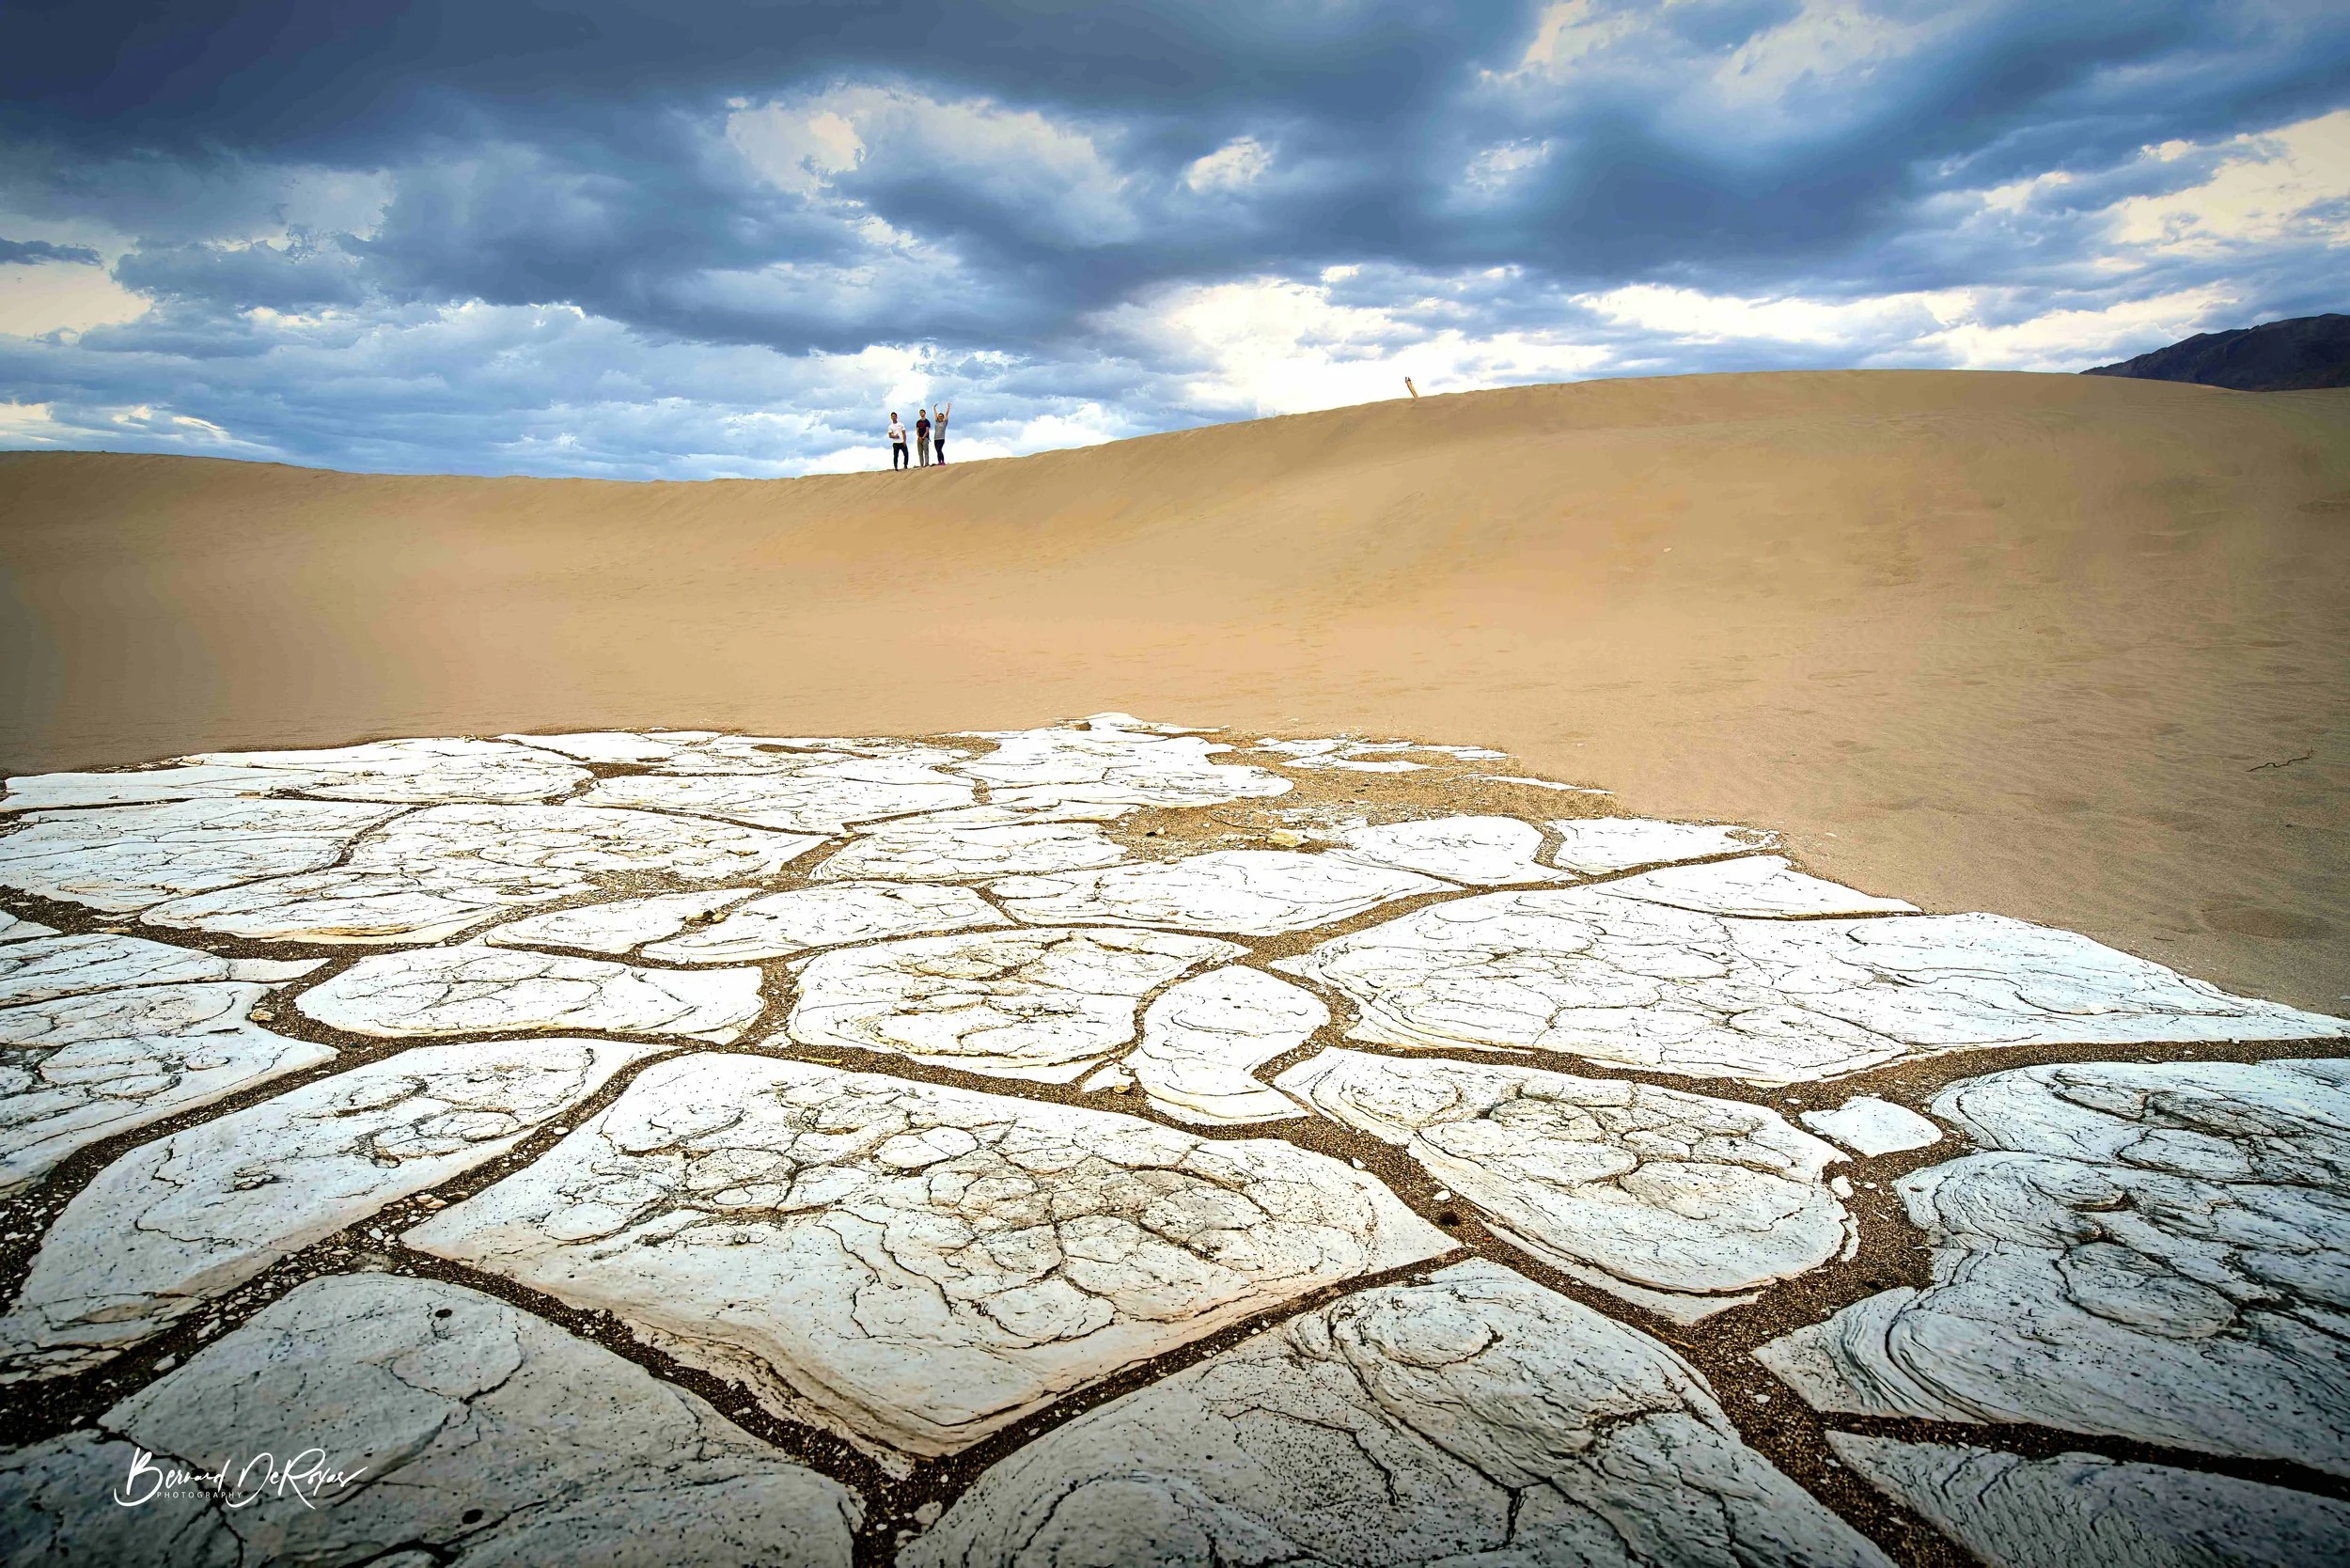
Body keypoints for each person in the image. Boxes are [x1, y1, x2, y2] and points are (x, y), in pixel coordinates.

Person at [932, 400, 949, 464]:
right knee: (938, 451)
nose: (940, 417)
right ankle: (939, 462)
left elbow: (946, 414)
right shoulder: (937, 422)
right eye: (939, 417)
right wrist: (934, 408)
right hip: (936, 439)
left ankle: (943, 461)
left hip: (941, 439)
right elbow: (935, 415)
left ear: (943, 417)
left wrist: (948, 408)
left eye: (941, 417)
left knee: (939, 450)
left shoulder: (944, 423)